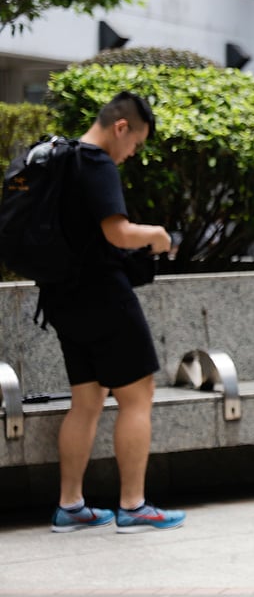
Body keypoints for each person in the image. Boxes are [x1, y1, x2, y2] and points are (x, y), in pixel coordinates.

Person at [41, 91, 186, 533]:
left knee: (86, 401)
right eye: (135, 143)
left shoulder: (61, 159)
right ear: (121, 127)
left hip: (62, 298)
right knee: (138, 395)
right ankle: (133, 505)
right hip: (104, 296)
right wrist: (157, 235)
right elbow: (118, 233)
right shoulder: (97, 163)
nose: (132, 153)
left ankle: (70, 506)